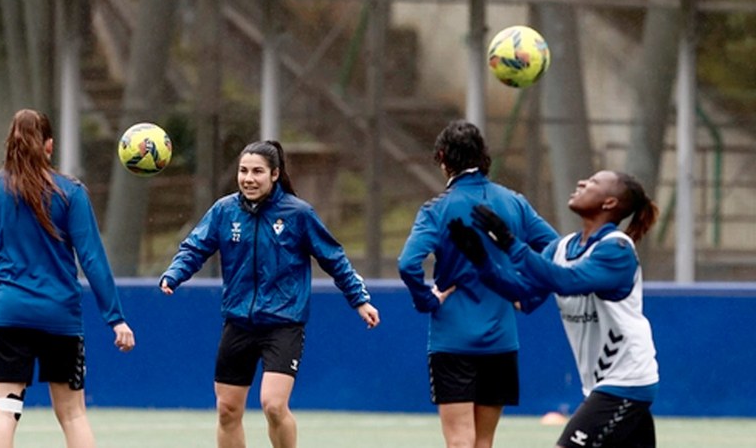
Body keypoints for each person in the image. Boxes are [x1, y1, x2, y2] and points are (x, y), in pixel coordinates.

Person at [159, 140, 380, 448]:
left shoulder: (298, 214)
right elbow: (195, 247)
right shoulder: (224, 211)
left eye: (257, 172)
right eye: (243, 171)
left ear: (275, 174)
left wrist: (360, 300)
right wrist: (174, 274)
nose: (249, 178)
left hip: (283, 323)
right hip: (238, 323)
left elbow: (334, 258)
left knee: (273, 406)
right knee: (227, 410)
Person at [0, 109, 135, 448]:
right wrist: (116, 318)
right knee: (73, 414)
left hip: (9, 314)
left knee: (5, 408)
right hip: (60, 317)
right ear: (49, 146)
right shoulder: (72, 193)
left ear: (9, 144)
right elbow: (93, 260)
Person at [448, 169, 660, 448]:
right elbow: (523, 296)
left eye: (593, 182)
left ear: (609, 203)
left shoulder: (617, 250)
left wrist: (511, 243)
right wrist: (481, 260)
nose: (582, 181)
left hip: (626, 381)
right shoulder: (561, 248)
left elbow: (567, 281)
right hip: (602, 386)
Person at [397, 120, 558, 448]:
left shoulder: (437, 209)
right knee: (483, 442)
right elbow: (556, 250)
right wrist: (522, 290)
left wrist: (427, 300)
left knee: (459, 442)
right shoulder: (514, 202)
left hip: (452, 339)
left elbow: (407, 264)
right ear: (484, 156)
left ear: (443, 157)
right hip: (501, 338)